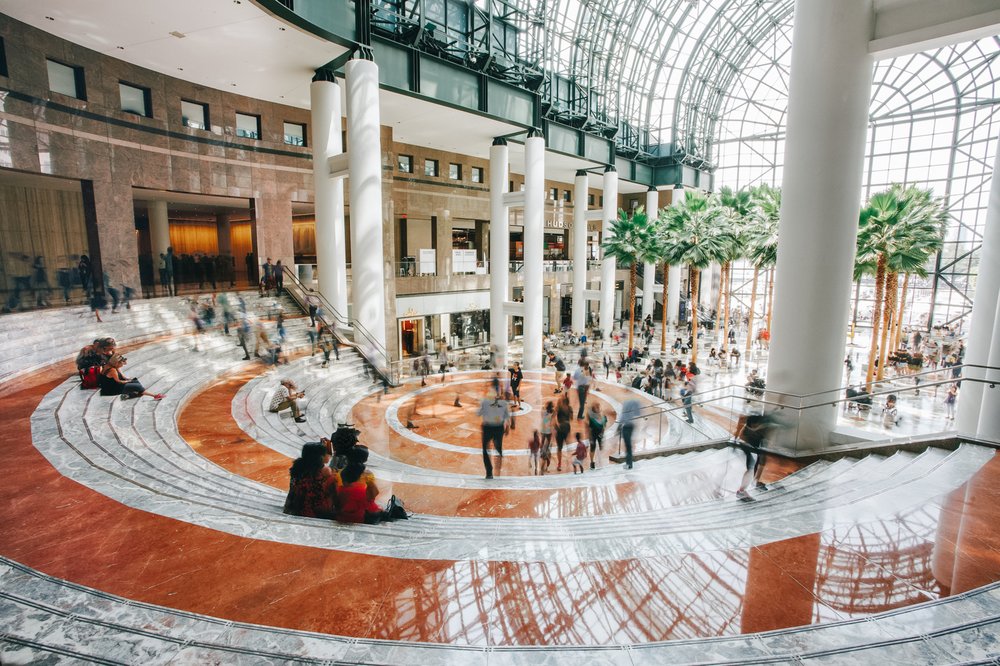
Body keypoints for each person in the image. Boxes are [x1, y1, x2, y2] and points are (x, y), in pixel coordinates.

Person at [283, 443, 339, 518]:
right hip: (316, 512)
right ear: (321, 457)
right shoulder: (325, 471)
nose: (329, 455)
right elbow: (334, 493)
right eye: (327, 453)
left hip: (295, 508)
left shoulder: (297, 468)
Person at [735, 413, 772, 499]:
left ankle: (743, 490)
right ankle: (741, 491)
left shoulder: (755, 428)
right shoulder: (747, 431)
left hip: (751, 449)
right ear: (753, 424)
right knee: (750, 468)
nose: (760, 425)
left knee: (752, 467)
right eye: (758, 424)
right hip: (747, 448)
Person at [477, 383, 510, 479]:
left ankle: (489, 472)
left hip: (487, 427)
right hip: (499, 428)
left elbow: (478, 413)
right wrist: (507, 427)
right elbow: (507, 417)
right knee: (498, 448)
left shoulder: (485, 402)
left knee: (485, 449)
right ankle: (498, 470)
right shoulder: (503, 403)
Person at [99, 354, 164, 400]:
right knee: (137, 386)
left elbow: (122, 376)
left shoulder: (113, 366)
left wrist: (128, 379)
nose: (123, 364)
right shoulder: (112, 370)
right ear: (117, 363)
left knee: (135, 380)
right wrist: (127, 381)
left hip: (113, 384)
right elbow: (118, 381)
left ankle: (130, 394)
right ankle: (154, 396)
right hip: (111, 389)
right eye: (121, 363)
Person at [619, 399, 640, 469]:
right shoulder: (632, 403)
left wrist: (619, 426)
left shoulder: (626, 404)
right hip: (630, 426)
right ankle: (629, 463)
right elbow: (637, 413)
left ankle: (629, 464)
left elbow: (623, 416)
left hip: (626, 427)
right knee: (628, 446)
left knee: (628, 447)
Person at [554, 392, 572, 471]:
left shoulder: (559, 408)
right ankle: (568, 460)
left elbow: (553, 415)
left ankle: (559, 464)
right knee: (567, 444)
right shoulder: (569, 408)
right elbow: (571, 418)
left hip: (560, 427)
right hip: (567, 427)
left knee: (559, 448)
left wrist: (555, 425)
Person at [587, 402, 607, 470]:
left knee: (601, 447)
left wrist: (602, 432)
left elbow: (605, 425)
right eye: (597, 407)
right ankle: (592, 462)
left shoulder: (603, 416)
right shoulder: (592, 418)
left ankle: (600, 461)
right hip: (593, 434)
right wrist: (590, 437)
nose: (598, 408)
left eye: (599, 407)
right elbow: (589, 428)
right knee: (593, 448)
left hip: (600, 434)